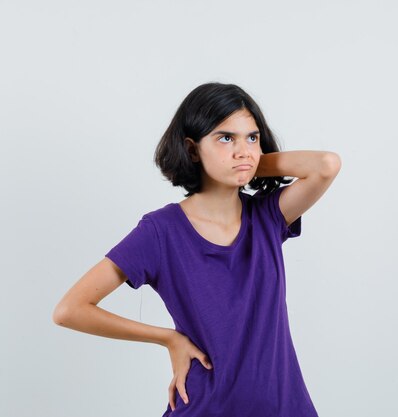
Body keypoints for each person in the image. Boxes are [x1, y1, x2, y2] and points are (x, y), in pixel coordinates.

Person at [52, 82, 341, 416]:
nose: (242, 148)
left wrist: (247, 163)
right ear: (192, 149)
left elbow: (326, 165)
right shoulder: (161, 232)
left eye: (252, 137)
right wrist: (168, 338)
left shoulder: (268, 217)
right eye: (225, 138)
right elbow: (70, 309)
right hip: (206, 407)